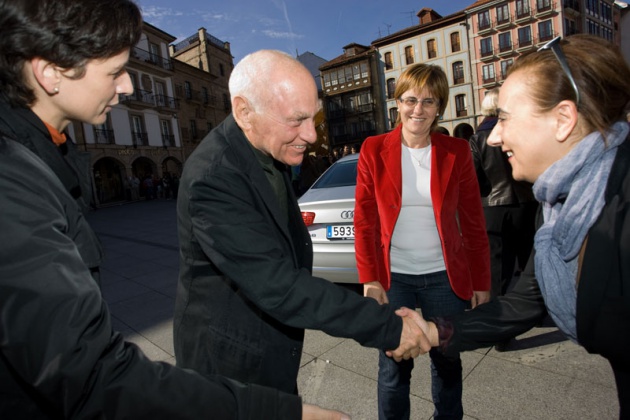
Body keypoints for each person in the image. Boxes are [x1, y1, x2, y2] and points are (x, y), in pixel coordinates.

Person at [0, 0, 350, 418]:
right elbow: (90, 375)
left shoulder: (45, 156)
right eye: (114, 71)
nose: (128, 86)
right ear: (50, 71)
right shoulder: (13, 182)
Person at [173, 49, 428, 396]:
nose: (310, 135)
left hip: (270, 350)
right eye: (296, 120)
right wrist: (387, 327)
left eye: (313, 118)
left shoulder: (265, 149)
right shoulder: (214, 177)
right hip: (231, 369)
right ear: (245, 112)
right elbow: (277, 285)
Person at [403, 35, 630, 419]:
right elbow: (524, 302)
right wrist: (438, 331)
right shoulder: (556, 206)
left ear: (563, 120)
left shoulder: (620, 208)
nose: (493, 135)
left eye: (504, 118)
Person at [354, 63, 491, 420]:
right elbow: (364, 221)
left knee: (447, 363)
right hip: (393, 277)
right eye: (410, 99)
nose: (418, 109)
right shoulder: (373, 149)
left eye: (428, 101)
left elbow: (474, 223)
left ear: (439, 106)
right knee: (393, 367)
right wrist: (370, 278)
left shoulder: (456, 151)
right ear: (397, 103)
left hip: (445, 277)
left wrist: (481, 282)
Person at [469, 88, 537, 299]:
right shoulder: (517, 132)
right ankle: (535, 305)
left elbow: (473, 176)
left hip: (492, 209)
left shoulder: (479, 138)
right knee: (529, 261)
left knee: (498, 267)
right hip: (525, 204)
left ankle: (498, 314)